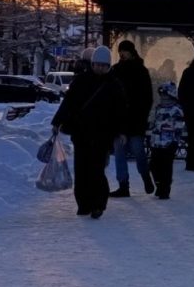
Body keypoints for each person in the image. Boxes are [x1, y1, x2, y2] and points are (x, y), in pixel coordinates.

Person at [51, 44, 127, 219]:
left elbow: (121, 110)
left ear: (108, 66)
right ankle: (84, 204)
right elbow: (68, 104)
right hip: (82, 132)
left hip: (103, 134)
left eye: (103, 65)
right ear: (92, 64)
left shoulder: (114, 85)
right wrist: (57, 122)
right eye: (97, 64)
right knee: (82, 169)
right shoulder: (81, 81)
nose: (99, 68)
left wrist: (121, 131)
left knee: (97, 169)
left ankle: (98, 204)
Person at [110, 39, 155, 197]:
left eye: (124, 51)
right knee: (120, 153)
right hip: (121, 120)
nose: (122, 54)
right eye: (120, 51)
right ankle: (124, 185)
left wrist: (142, 114)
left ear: (131, 52)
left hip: (135, 119)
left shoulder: (140, 71)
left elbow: (147, 97)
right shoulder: (116, 71)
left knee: (138, 151)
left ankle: (145, 176)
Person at [148, 82, 184, 200]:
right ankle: (159, 185)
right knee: (153, 165)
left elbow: (179, 126)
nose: (163, 98)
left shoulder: (176, 109)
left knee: (166, 167)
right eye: (162, 95)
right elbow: (154, 123)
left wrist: (175, 140)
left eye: (165, 95)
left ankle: (165, 189)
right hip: (156, 142)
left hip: (169, 143)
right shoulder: (158, 108)